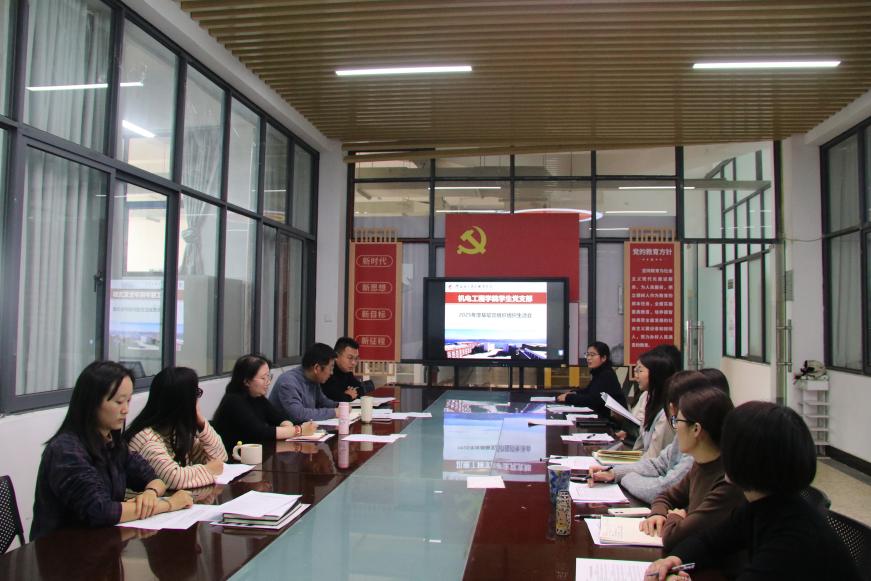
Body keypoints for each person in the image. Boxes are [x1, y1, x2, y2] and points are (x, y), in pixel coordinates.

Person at [645, 402, 863, 581]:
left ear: (743, 461)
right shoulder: (764, 506)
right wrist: (674, 559)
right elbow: (709, 541)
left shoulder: (791, 541)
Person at [30, 361, 192, 540]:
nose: (125, 410)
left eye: (128, 401)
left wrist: (150, 493)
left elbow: (152, 477)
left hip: (101, 543)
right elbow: (100, 510)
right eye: (119, 402)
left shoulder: (112, 442)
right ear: (92, 402)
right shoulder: (66, 451)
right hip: (61, 549)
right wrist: (168, 504)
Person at [639, 386, 743, 552]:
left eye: (677, 421)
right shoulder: (700, 463)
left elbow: (674, 538)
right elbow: (666, 496)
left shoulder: (727, 480)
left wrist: (674, 516)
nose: (675, 429)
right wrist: (658, 513)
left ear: (696, 429)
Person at [588, 370, 716, 503]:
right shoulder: (685, 431)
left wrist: (625, 477)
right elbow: (658, 464)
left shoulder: (698, 449)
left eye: (640, 369)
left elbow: (662, 489)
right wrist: (614, 473)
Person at [126, 366, 228, 490]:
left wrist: (201, 423)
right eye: (196, 394)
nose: (197, 401)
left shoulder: (176, 432)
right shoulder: (145, 438)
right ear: (182, 401)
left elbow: (220, 459)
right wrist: (209, 470)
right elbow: (174, 478)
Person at [212, 354, 317, 455]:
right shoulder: (233, 401)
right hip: (234, 458)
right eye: (263, 378)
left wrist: (287, 426)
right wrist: (299, 430)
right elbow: (260, 432)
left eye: (268, 376)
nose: (268, 382)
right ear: (247, 381)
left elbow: (279, 418)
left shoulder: (257, 397)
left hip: (254, 456)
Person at [269, 343, 339, 423]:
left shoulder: (313, 379)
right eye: (330, 368)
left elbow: (323, 402)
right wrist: (333, 413)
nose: (331, 373)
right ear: (317, 368)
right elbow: (298, 415)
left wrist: (340, 406)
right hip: (284, 429)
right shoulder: (288, 382)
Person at [556, 341, 628, 420]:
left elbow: (593, 400)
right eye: (587, 354)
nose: (588, 358)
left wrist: (569, 398)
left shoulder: (606, 374)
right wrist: (574, 392)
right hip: (602, 417)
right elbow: (588, 391)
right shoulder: (599, 372)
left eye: (592, 355)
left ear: (603, 358)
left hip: (613, 422)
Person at [632, 349, 677, 459]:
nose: (636, 376)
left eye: (640, 371)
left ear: (656, 374)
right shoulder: (651, 401)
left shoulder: (666, 414)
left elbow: (653, 457)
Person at [321, 337, 369, 403]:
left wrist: (346, 394)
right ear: (336, 356)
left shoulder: (347, 371)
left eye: (356, 358)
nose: (354, 363)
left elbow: (361, 390)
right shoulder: (328, 372)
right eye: (350, 358)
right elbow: (332, 398)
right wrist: (347, 396)